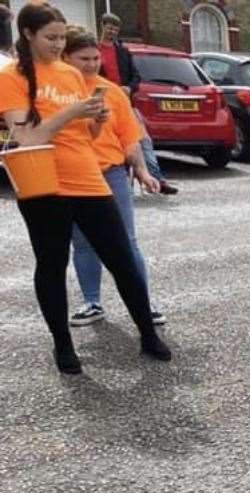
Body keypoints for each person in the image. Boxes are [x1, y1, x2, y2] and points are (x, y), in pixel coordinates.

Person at [0, 4, 170, 374]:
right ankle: (63, 346)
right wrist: (74, 112)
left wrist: (96, 120)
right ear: (28, 34)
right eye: (51, 38)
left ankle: (147, 334)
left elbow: (87, 135)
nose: (59, 45)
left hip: (88, 177)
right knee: (52, 264)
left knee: (122, 259)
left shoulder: (69, 73)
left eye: (62, 37)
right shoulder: (11, 75)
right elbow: (28, 136)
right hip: (43, 182)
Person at [60, 28, 165, 327]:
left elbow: (129, 138)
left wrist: (143, 171)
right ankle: (92, 302)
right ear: (66, 57)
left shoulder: (112, 91)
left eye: (95, 58)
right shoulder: (60, 92)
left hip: (111, 173)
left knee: (127, 241)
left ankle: (143, 302)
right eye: (84, 58)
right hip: (76, 176)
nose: (92, 64)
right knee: (83, 243)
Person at [97, 12, 175, 194]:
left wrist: (129, 88)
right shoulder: (94, 51)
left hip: (126, 104)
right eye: (109, 27)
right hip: (103, 104)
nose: (112, 32)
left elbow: (136, 77)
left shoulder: (123, 52)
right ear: (102, 26)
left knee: (143, 140)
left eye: (115, 29)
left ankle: (158, 179)